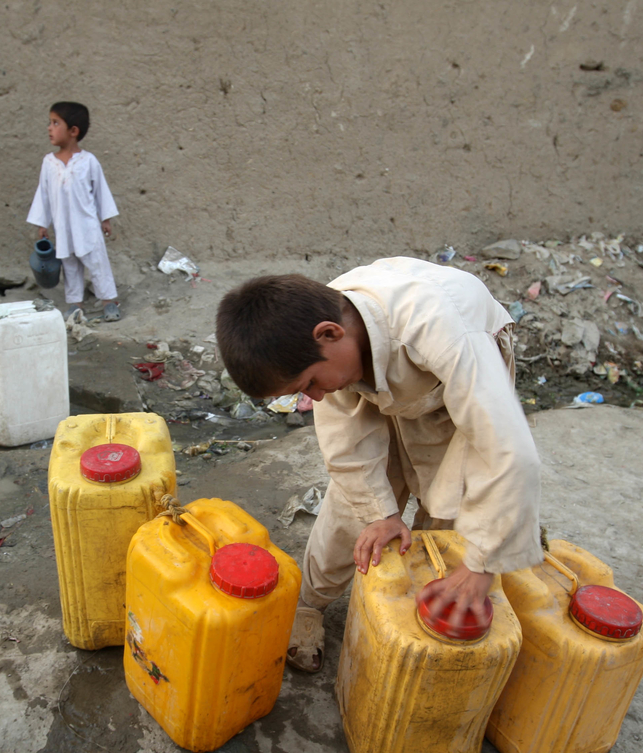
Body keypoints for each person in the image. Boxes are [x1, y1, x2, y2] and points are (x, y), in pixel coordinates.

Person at [216, 257, 544, 672]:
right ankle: (310, 603)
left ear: (331, 334)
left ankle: (432, 604)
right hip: (377, 369)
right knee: (353, 507)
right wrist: (382, 514)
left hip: (453, 385)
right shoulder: (323, 341)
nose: (314, 398)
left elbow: (506, 451)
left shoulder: (445, 332)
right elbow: (346, 445)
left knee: (451, 501)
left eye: (310, 386)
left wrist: (483, 563)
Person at [26, 102, 121, 322]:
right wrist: (42, 223)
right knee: (70, 267)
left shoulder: (88, 162)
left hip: (87, 226)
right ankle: (75, 305)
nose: (49, 128)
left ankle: (108, 302)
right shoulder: (49, 163)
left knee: (98, 264)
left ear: (73, 131)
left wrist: (105, 218)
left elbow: (101, 191)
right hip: (63, 227)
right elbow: (44, 194)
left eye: (55, 123)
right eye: (49, 123)